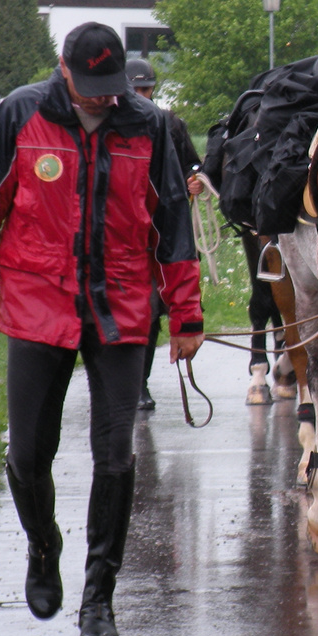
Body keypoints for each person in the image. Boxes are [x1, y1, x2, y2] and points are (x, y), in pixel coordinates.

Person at [0, 23, 204, 636]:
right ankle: (42, 545)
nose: (103, 100)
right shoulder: (19, 116)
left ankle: (99, 597)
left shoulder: (149, 126)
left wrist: (187, 316)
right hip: (38, 304)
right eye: (92, 89)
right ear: (65, 70)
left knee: (117, 457)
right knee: (29, 455)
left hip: (121, 309)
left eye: (112, 90)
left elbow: (172, 223)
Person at [125, 57, 203, 411]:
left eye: (146, 88)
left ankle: (139, 385)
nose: (142, 94)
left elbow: (192, 162)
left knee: (153, 310)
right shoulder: (116, 124)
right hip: (125, 228)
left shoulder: (170, 124)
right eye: (136, 89)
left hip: (162, 228)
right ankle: (125, 384)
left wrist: (194, 178)